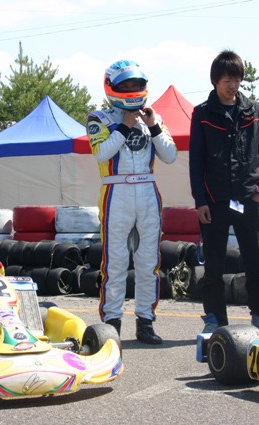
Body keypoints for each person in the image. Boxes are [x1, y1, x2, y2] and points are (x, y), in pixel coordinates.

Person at [86, 59, 177, 344]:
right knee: (115, 263)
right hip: (116, 192)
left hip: (148, 191)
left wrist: (153, 126)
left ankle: (145, 321)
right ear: (112, 87)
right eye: (125, 85)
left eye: (136, 84)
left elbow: (170, 155)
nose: (131, 89)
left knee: (149, 262)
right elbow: (102, 154)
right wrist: (124, 127)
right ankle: (111, 324)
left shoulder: (153, 118)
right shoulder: (99, 119)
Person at [188, 50, 259, 333]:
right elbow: (196, 161)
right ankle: (214, 319)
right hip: (214, 201)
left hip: (249, 197)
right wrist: (200, 201)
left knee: (256, 262)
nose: (233, 85)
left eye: (237, 80)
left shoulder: (254, 111)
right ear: (215, 81)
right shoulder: (202, 113)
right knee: (214, 265)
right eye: (227, 80)